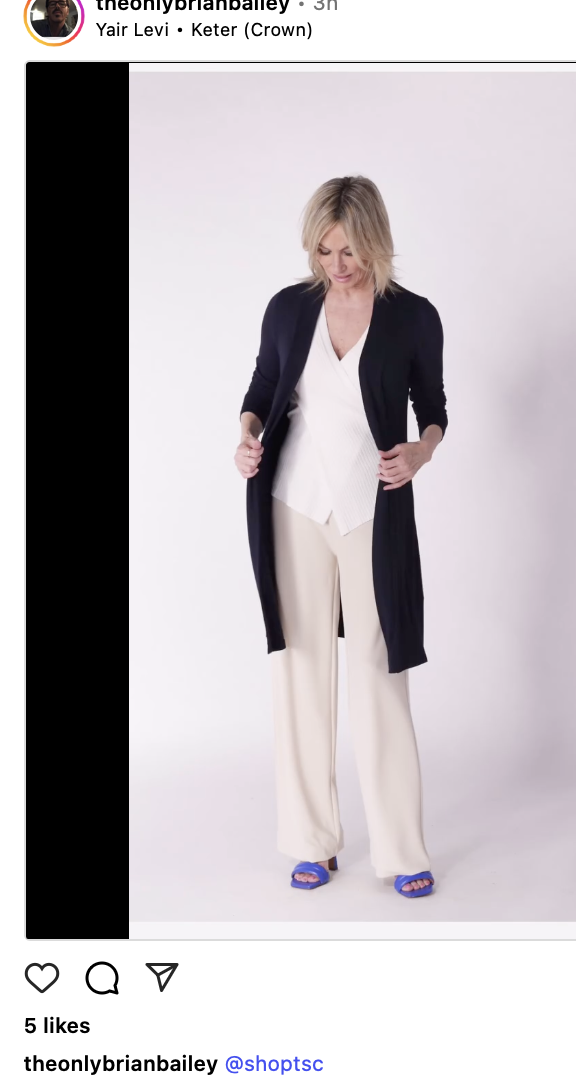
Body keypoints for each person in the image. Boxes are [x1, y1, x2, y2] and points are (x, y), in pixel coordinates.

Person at [235, 176, 447, 898]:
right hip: (294, 502)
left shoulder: (412, 316)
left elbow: (434, 407)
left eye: (349, 250)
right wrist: (247, 437)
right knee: (300, 668)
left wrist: (420, 452)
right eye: (324, 251)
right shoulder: (288, 308)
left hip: (369, 508)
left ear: (375, 241)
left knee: (379, 671)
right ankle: (310, 842)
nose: (337, 265)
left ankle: (402, 849)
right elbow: (261, 390)